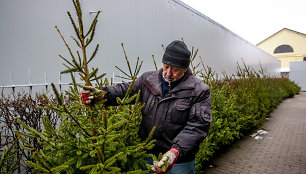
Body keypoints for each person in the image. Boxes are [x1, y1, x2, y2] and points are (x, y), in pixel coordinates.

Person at [81, 40, 212, 174]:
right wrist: (103, 95)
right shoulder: (148, 79)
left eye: (175, 69)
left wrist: (175, 152)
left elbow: (197, 126)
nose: (168, 73)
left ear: (185, 68)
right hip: (148, 155)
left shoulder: (199, 90)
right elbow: (126, 90)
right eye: (166, 66)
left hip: (180, 162)